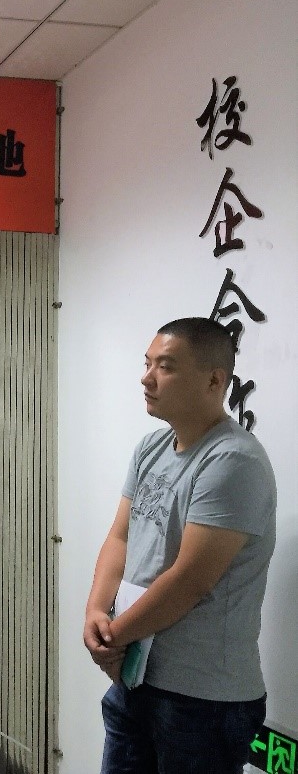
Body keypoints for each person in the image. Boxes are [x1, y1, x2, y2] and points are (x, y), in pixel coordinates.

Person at [83, 317, 276, 774]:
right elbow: (120, 536)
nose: (147, 378)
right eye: (147, 363)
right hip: (136, 677)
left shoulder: (233, 460)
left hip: (202, 700)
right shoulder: (151, 448)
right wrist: (96, 613)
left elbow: (190, 581)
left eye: (165, 366)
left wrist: (112, 637)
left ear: (214, 381)